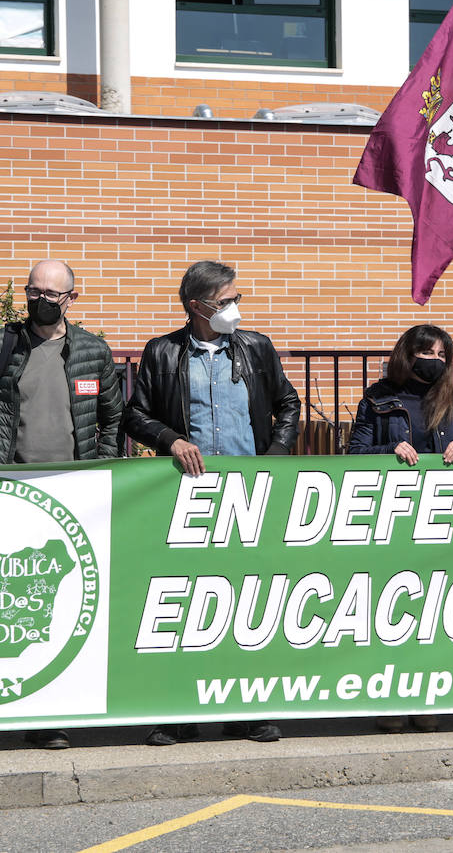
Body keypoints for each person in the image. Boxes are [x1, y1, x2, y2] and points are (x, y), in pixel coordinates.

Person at [0, 258, 124, 753]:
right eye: (33, 289)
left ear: (73, 296)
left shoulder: (91, 350)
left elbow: (112, 419)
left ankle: (48, 717)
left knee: (56, 611)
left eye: (52, 292)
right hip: (6, 496)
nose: (41, 298)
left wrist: (101, 472)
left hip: (72, 500)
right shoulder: (1, 344)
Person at [124, 260, 300, 744]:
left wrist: (277, 455)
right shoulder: (162, 353)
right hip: (189, 494)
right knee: (189, 601)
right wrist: (170, 439)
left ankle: (248, 711)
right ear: (196, 306)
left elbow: (287, 403)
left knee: (247, 602)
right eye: (225, 302)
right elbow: (135, 415)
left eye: (236, 300)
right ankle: (180, 711)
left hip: (249, 492)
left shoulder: (256, 347)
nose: (234, 310)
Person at [348, 324, 453, 732]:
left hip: (439, 520)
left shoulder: (451, 399)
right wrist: (391, 450)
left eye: (442, 355)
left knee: (433, 610)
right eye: (427, 353)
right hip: (391, 519)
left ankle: (426, 698)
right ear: (407, 353)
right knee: (390, 611)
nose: (434, 361)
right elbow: (355, 453)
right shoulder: (378, 397)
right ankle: (388, 699)